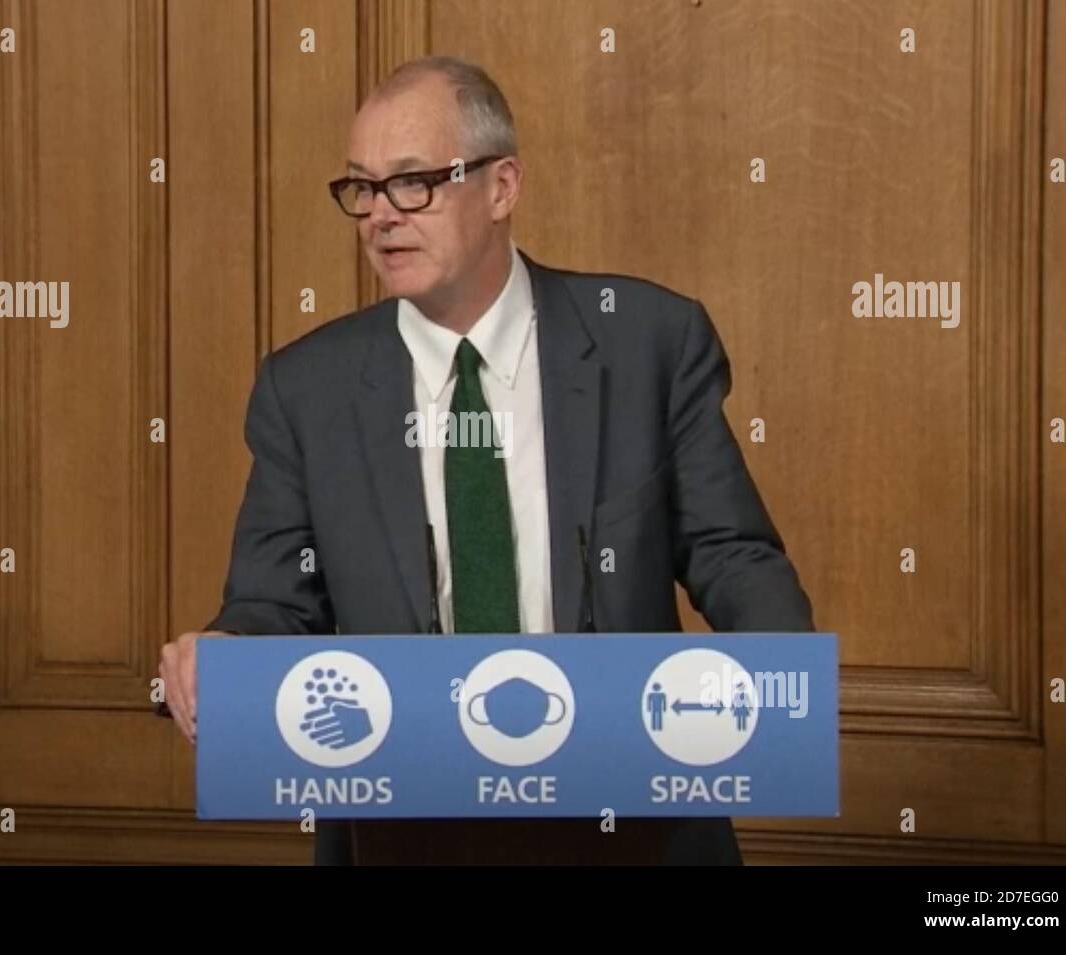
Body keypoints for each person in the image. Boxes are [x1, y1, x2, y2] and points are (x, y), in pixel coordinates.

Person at [159, 55, 815, 865]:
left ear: (502, 187)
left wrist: (779, 677)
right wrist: (226, 647)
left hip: (635, 820)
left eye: (413, 183)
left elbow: (730, 552)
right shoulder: (306, 389)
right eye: (362, 189)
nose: (380, 217)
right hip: (405, 829)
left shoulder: (648, 341)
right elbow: (271, 604)